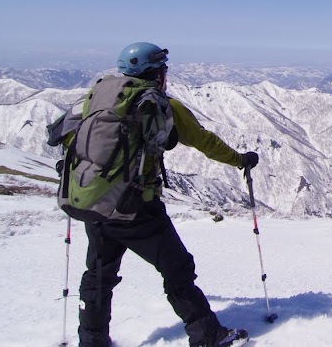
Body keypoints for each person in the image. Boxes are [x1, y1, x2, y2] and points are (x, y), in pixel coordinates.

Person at [77, 42, 259, 347]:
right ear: (156, 74)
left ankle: (91, 341)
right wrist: (241, 159)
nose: (166, 75)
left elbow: (70, 135)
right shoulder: (163, 106)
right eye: (163, 70)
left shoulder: (98, 97)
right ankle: (207, 335)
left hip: (95, 200)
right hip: (136, 208)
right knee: (177, 268)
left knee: (98, 276)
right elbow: (204, 141)